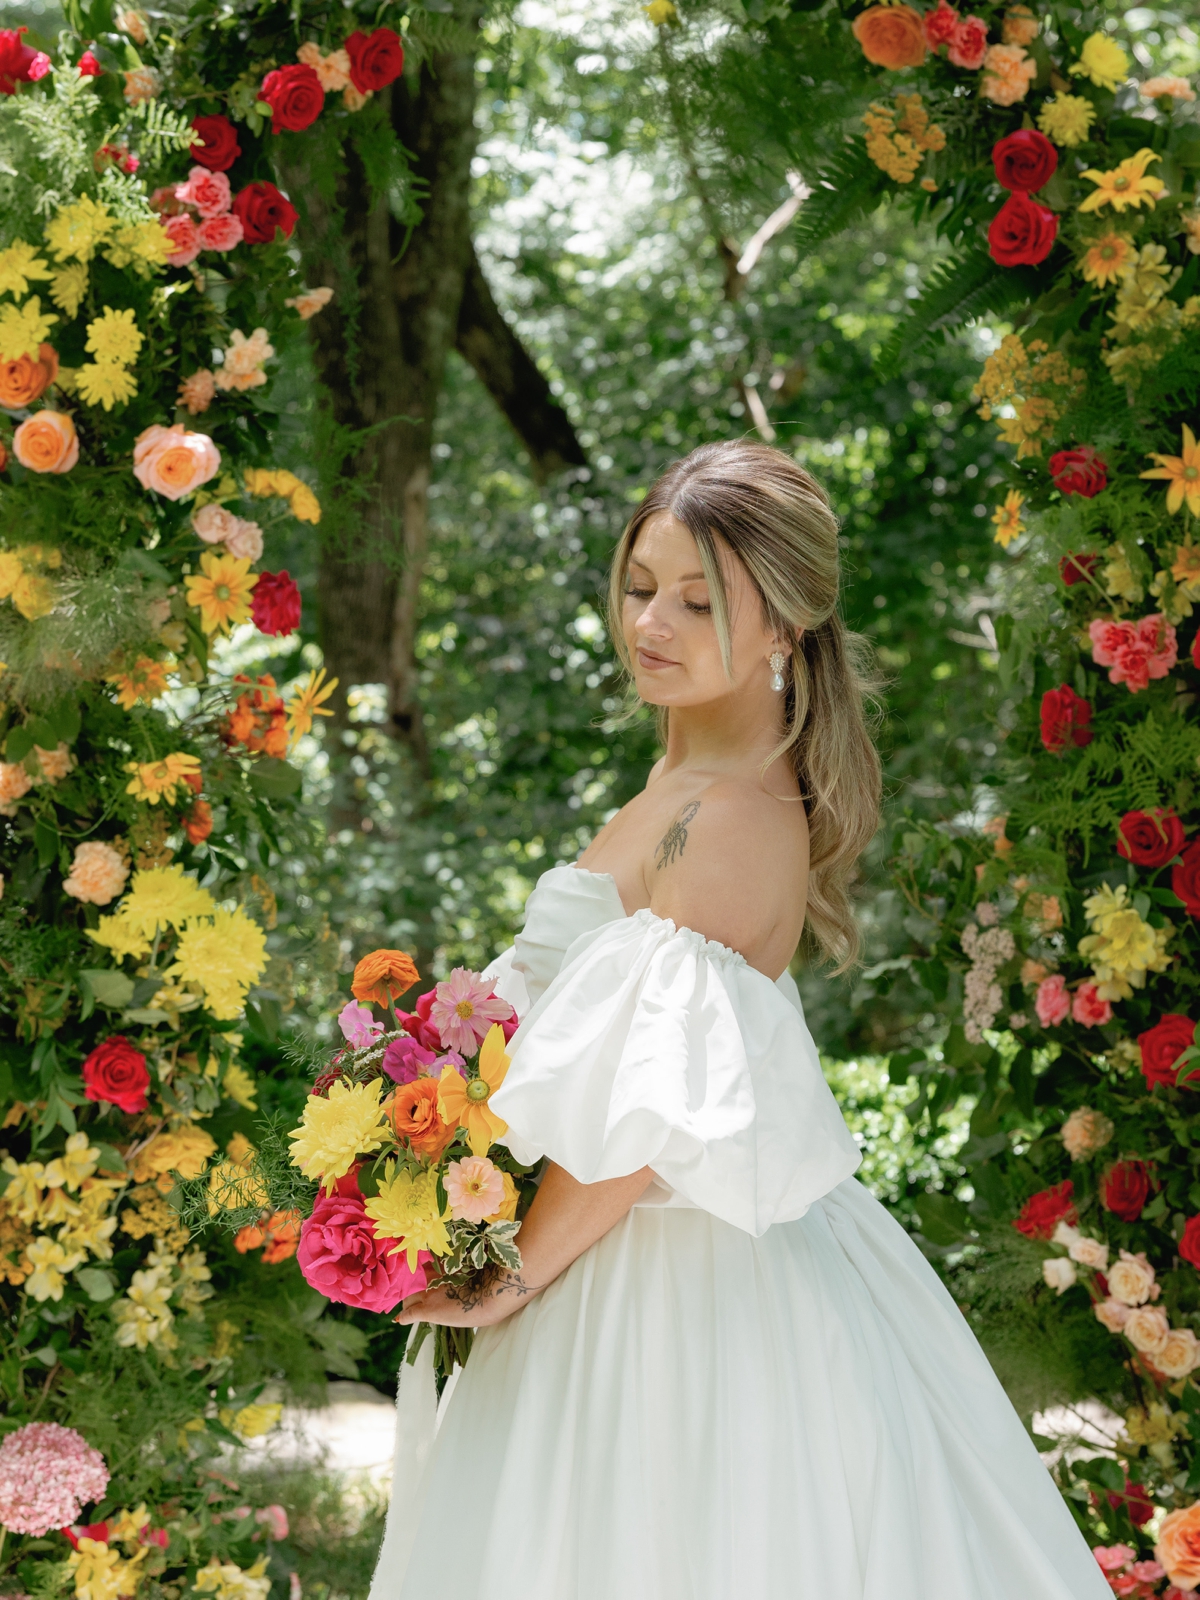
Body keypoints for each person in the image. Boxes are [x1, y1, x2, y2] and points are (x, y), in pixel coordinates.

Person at [371, 441, 1109, 1600]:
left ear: (786, 629)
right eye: (641, 585)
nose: (650, 621)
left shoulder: (726, 818)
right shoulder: (682, 784)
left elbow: (644, 1122)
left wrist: (498, 1282)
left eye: (699, 600)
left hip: (665, 1283)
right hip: (608, 1253)